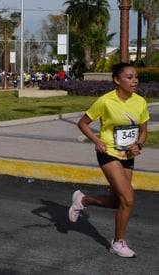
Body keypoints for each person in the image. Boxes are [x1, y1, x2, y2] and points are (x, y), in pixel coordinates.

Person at [70, 63, 150, 258]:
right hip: (108, 152)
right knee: (128, 199)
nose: (135, 81)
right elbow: (83, 123)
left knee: (117, 202)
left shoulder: (140, 102)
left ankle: (83, 200)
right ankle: (118, 242)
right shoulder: (105, 102)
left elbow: (144, 131)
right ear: (117, 80)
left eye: (136, 77)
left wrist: (138, 145)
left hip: (127, 155)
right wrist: (97, 140)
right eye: (129, 77)